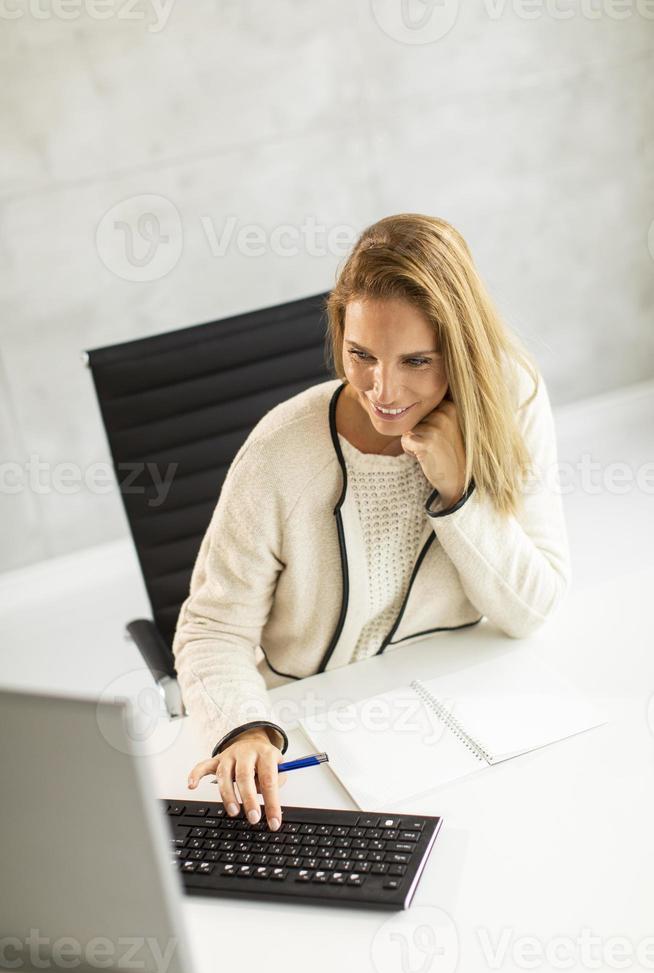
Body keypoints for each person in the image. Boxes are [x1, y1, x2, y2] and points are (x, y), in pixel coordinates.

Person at [172, 213, 571, 832]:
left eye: (416, 360)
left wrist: (458, 493)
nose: (383, 390)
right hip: (305, 736)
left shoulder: (511, 400)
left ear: (460, 350)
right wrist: (244, 727)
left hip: (452, 714)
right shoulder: (283, 448)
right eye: (362, 356)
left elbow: (533, 610)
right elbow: (211, 630)